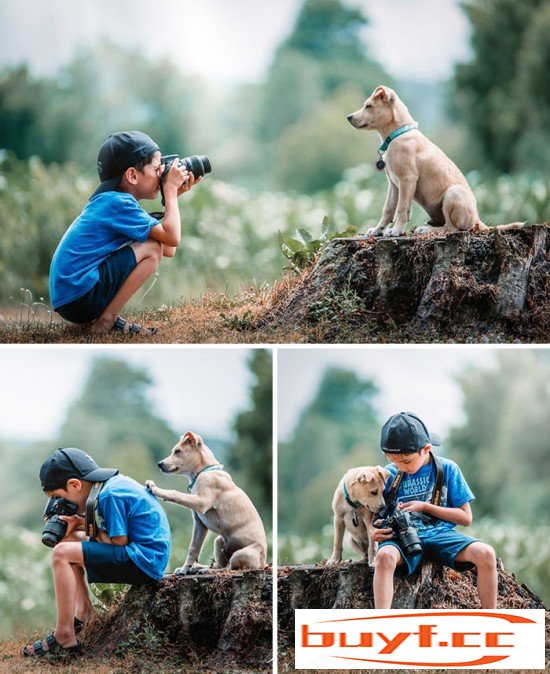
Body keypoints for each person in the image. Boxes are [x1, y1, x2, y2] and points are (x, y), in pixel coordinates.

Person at [23, 447, 171, 657]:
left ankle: (64, 634)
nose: (58, 504)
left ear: (75, 485)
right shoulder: (109, 486)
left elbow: (118, 543)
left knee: (61, 554)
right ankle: (84, 612)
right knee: (68, 540)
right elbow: (112, 537)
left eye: (58, 497)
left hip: (144, 561)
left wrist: (82, 522)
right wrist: (78, 523)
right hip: (143, 554)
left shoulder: (110, 495)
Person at [49, 130, 200, 334]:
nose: (161, 174)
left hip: (71, 297)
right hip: (79, 294)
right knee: (152, 248)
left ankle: (105, 318)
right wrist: (171, 193)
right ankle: (107, 320)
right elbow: (169, 240)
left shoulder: (114, 203)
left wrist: (170, 196)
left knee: (154, 246)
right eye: (157, 169)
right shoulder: (119, 204)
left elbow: (169, 248)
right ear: (132, 175)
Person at [369, 412, 497, 609]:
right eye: (394, 461)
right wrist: (372, 531)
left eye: (406, 461)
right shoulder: (388, 473)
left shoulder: (447, 469)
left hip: (441, 534)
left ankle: (492, 621)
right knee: (384, 557)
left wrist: (426, 507)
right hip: (401, 539)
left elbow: (466, 518)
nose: (400, 467)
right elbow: (369, 513)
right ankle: (382, 624)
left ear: (426, 449)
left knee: (486, 553)